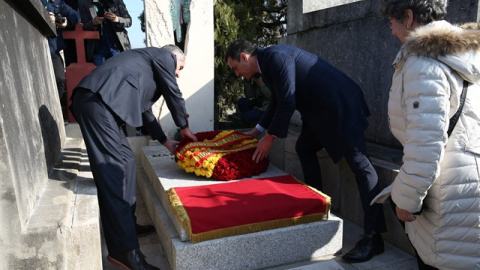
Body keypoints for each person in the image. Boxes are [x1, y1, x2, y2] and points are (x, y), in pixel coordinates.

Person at [225, 40, 387, 263]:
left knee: (361, 166)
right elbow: (277, 100)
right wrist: (257, 131)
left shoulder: (274, 57)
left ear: (244, 57)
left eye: (235, 68)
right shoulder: (266, 63)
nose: (237, 74)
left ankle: (373, 236)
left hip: (339, 107)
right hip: (320, 113)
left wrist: (268, 139)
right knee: (304, 147)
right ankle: (317, 205)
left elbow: (287, 101)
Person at [371, 1, 480, 269]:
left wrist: (406, 201)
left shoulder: (423, 65)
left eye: (391, 23)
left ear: (408, 18)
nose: (392, 31)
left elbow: (425, 145)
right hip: (467, 184)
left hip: (447, 192)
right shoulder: (464, 54)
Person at [70, 45, 198, 269]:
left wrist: (165, 141)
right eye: (180, 68)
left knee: (127, 162)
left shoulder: (143, 69)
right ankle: (125, 252)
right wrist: (184, 127)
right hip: (97, 102)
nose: (177, 73)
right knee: (114, 172)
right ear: (173, 57)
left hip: (103, 106)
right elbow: (173, 90)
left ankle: (126, 226)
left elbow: (144, 112)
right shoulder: (164, 56)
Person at [41, 0, 79, 108]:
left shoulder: (57, 2)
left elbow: (76, 16)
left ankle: (53, 108)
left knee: (60, 78)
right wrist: (44, 15)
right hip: (35, 42)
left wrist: (65, 21)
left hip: (53, 47)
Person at [78, 0, 131, 66]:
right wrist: (93, 22)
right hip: (97, 48)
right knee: (99, 74)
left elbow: (128, 21)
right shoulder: (84, 3)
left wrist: (117, 19)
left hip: (116, 46)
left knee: (117, 73)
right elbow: (83, 26)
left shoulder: (117, 1)